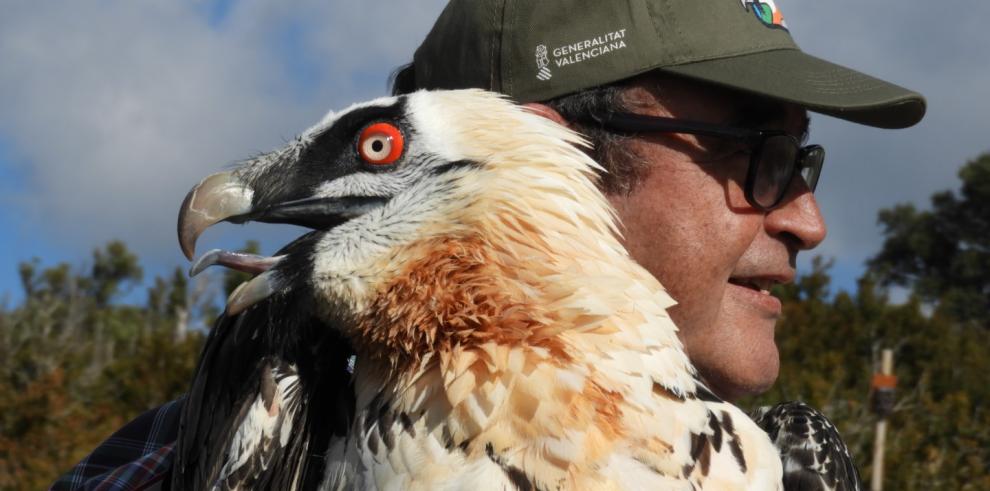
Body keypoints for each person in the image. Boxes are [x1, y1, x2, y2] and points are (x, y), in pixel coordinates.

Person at [52, 0, 925, 488]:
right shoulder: (291, 396)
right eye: (755, 152)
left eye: (800, 158)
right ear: (553, 148)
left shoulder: (781, 463)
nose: (808, 221)